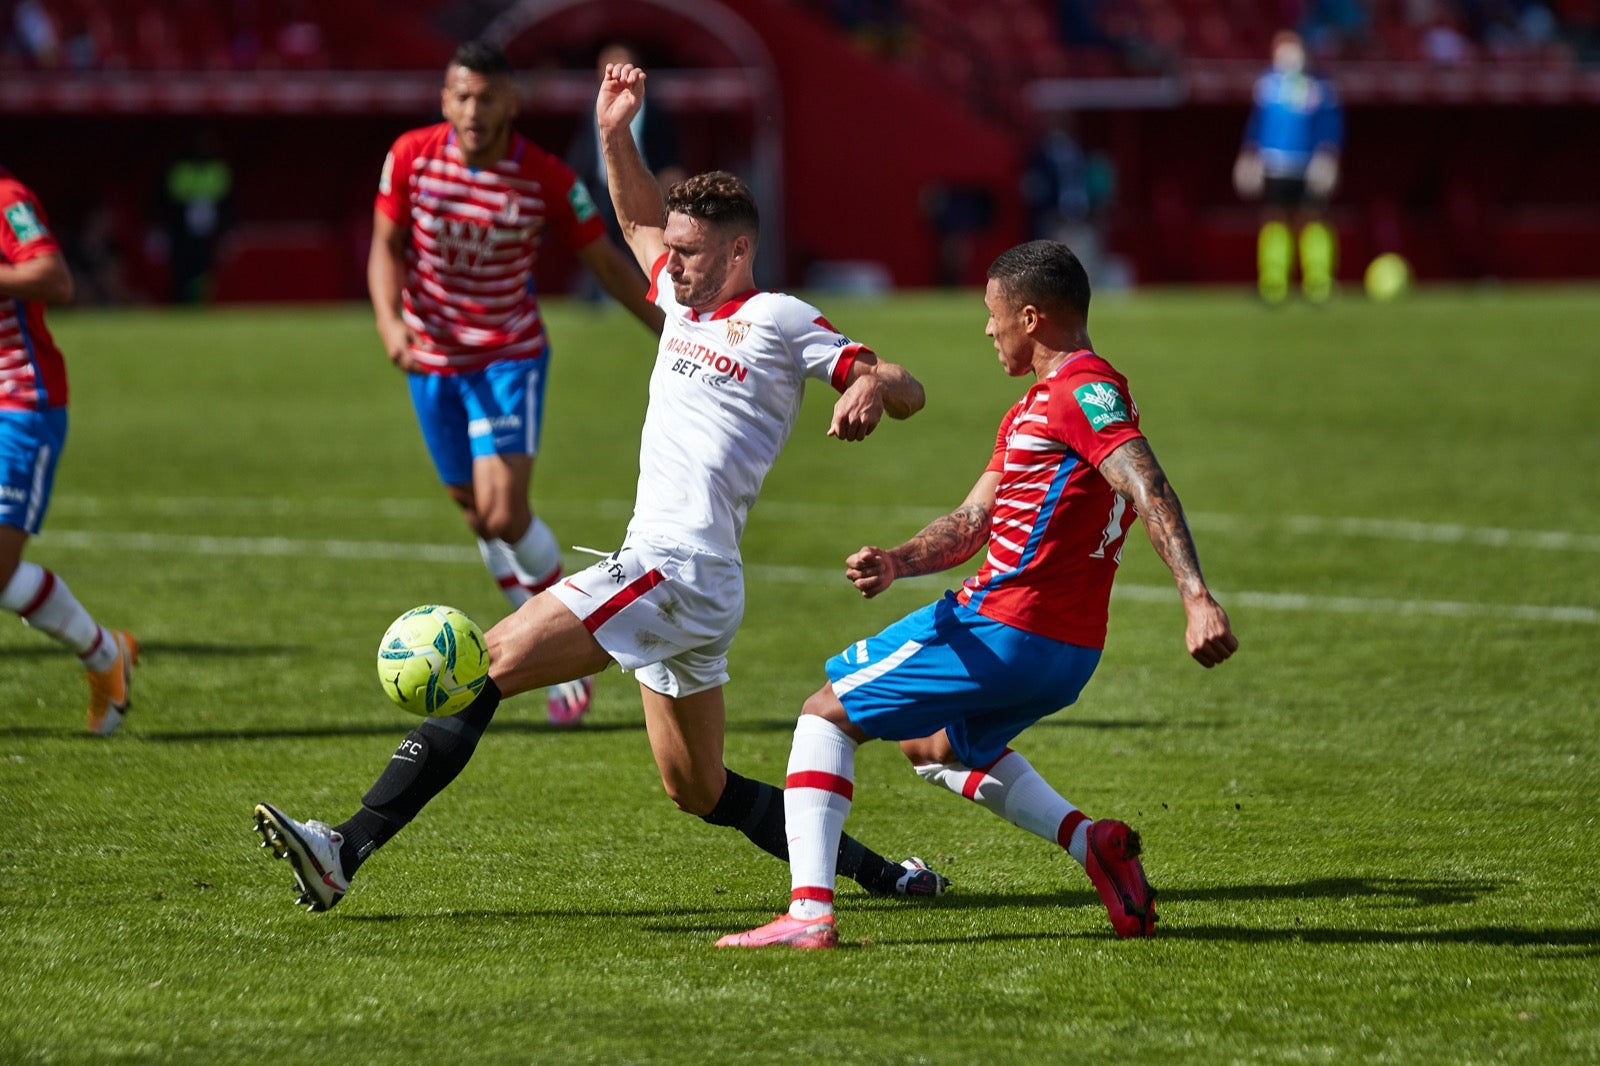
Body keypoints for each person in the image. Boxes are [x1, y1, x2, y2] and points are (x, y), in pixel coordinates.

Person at [253, 60, 946, 914]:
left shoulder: (779, 318)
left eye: (689, 254)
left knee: (488, 662)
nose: (670, 268)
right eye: (673, 250)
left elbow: (903, 380)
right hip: (690, 581)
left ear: (739, 251)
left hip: (676, 566)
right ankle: (893, 876)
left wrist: (871, 386)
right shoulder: (684, 296)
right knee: (699, 790)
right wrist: (615, 131)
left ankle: (344, 848)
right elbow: (633, 216)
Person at [717, 240, 1239, 950]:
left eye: (994, 316)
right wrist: (898, 562)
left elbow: (1146, 480)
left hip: (1005, 627)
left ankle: (809, 914)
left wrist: (1197, 597)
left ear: (1031, 317)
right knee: (931, 746)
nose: (987, 330)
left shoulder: (1082, 391)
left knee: (825, 715)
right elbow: (971, 522)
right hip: (1067, 653)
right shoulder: (1035, 409)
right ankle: (1092, 844)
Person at [368, 41, 664, 727]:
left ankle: (563, 636)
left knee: (504, 514)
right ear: (445, 99)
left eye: (487, 96)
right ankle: (544, 635)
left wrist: (673, 329)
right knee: (473, 512)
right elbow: (385, 245)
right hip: (432, 359)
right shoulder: (411, 156)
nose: (474, 109)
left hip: (508, 356)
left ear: (511, 101)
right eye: (461, 95)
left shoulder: (548, 179)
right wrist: (390, 324)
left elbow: (608, 266)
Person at [0, 165, 139, 735]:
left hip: (17, 401)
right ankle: (107, 653)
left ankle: (104, 654)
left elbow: (55, 278)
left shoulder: (6, 198)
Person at [1232, 30, 1343, 304]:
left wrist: (1327, 156)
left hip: (1307, 164)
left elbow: (1331, 124)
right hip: (1275, 163)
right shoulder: (1268, 85)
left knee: (1312, 219)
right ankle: (1273, 283)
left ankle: (1318, 282)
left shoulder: (1319, 86)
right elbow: (1257, 123)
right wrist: (1249, 154)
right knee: (1275, 219)